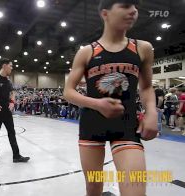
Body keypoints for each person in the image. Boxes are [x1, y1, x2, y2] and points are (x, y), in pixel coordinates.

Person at [63, 0, 158, 195]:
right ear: (105, 13)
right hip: (92, 125)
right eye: (125, 6)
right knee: (94, 186)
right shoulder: (87, 52)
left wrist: (152, 113)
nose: (133, 11)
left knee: (135, 189)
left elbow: (147, 86)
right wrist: (97, 104)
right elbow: (68, 91)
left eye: (134, 7)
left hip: (126, 125)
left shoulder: (143, 48)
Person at [0, 58, 30, 163]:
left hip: (7, 111)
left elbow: (12, 93)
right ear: (4, 66)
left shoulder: (8, 81)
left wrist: (12, 102)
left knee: (12, 132)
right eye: (10, 66)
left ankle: (16, 156)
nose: (12, 68)